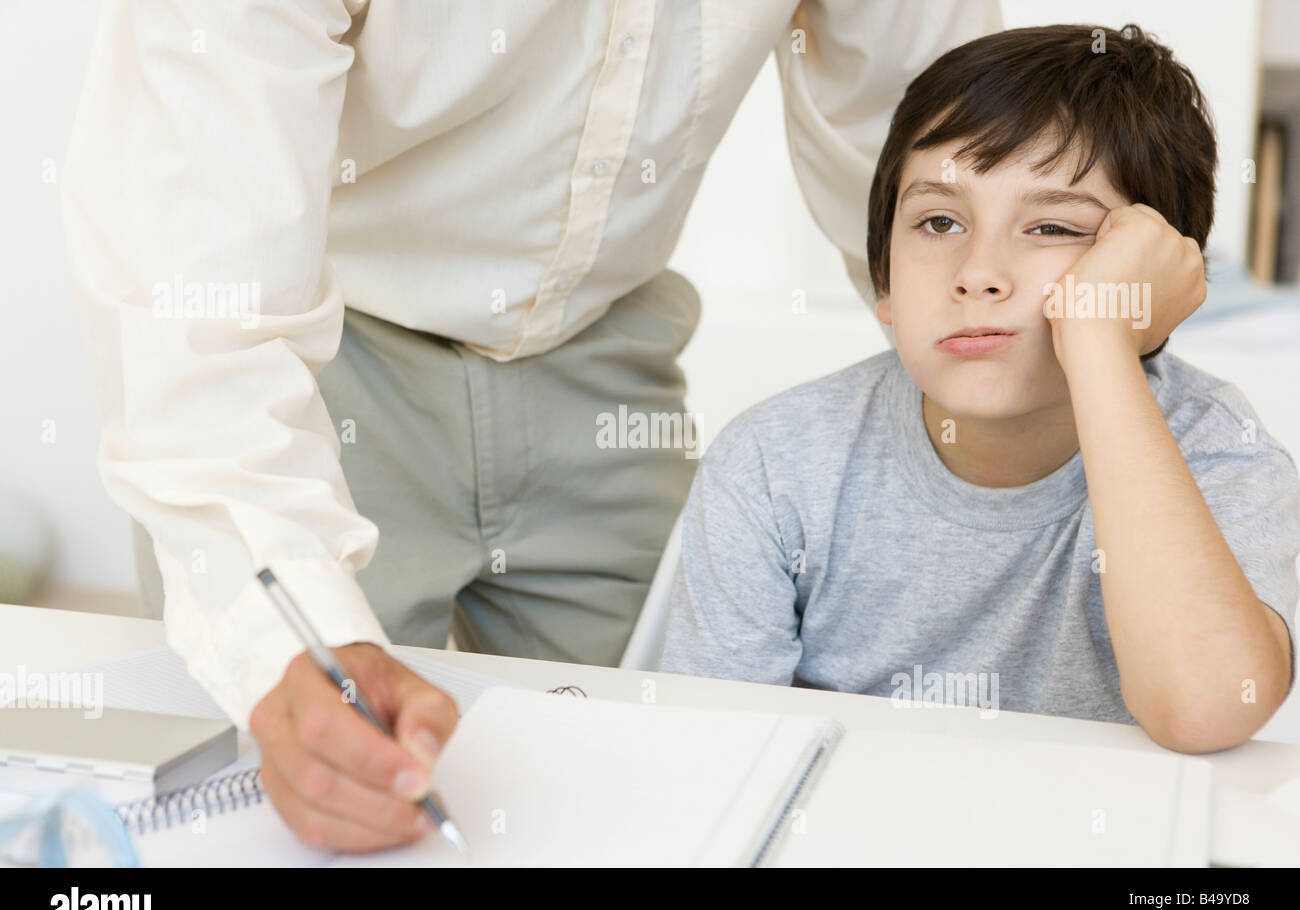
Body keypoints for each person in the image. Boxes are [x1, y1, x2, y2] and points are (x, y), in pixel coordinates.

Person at [62, 0, 1016, 852]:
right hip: (319, 370)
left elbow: (939, 146)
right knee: (326, 793)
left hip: (606, 355)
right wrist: (288, 642)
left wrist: (1076, 371)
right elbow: (192, 292)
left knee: (675, 782)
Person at [658, 23, 1300, 754]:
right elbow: (711, 765)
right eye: (939, 221)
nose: (978, 271)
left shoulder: (1220, 450)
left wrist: (1100, 337)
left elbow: (1207, 708)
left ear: (1150, 276)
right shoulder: (774, 464)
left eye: (1052, 226)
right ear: (885, 283)